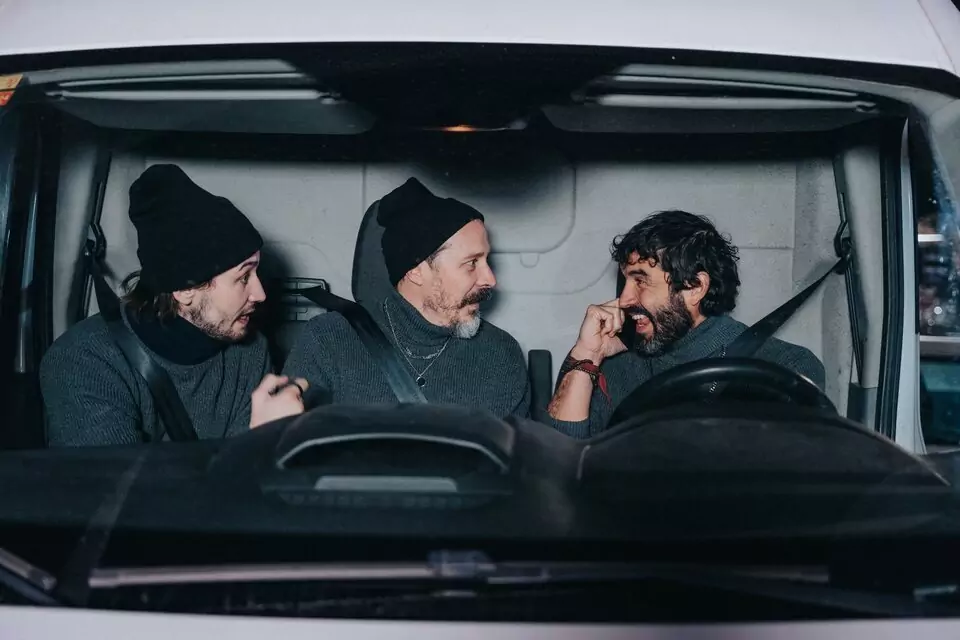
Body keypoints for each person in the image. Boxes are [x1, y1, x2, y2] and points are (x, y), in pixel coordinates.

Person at [40, 164, 307, 446]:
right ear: (185, 290)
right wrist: (260, 440)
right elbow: (114, 477)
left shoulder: (249, 352)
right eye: (243, 277)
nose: (260, 294)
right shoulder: (85, 361)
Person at [547, 209, 825, 438]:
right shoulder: (618, 365)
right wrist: (587, 354)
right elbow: (559, 458)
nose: (624, 299)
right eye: (626, 280)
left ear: (695, 288)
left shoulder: (783, 368)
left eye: (640, 280)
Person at [283, 177, 530, 418]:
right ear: (416, 272)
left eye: (486, 260)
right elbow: (288, 437)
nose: (490, 279)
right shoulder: (328, 341)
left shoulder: (501, 353)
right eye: (472, 263)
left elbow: (516, 445)